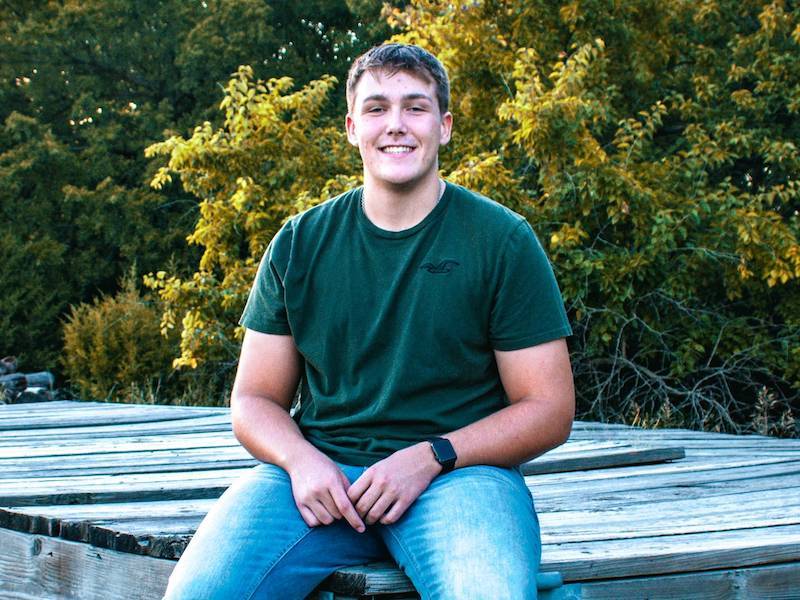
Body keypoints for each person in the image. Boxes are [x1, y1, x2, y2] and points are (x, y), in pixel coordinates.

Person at [163, 43, 574, 600]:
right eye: (378, 108)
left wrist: (431, 456)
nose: (396, 125)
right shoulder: (299, 243)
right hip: (320, 478)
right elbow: (254, 400)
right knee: (198, 593)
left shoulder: (501, 240)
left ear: (445, 126)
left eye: (416, 107)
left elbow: (549, 409)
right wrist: (301, 462)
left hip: (459, 478)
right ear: (353, 127)